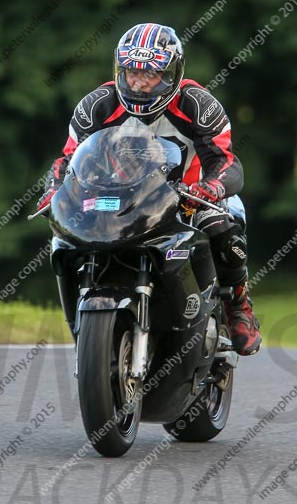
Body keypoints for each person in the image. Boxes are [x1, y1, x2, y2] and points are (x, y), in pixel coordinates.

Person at [37, 22, 261, 356]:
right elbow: (67, 161)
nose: (139, 83)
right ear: (119, 70)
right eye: (132, 73)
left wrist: (211, 187)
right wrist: (54, 188)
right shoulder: (96, 105)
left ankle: (238, 306)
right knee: (67, 237)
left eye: (151, 74)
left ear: (172, 73)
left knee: (225, 228)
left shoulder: (198, 104)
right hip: (118, 198)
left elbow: (227, 162)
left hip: (186, 197)